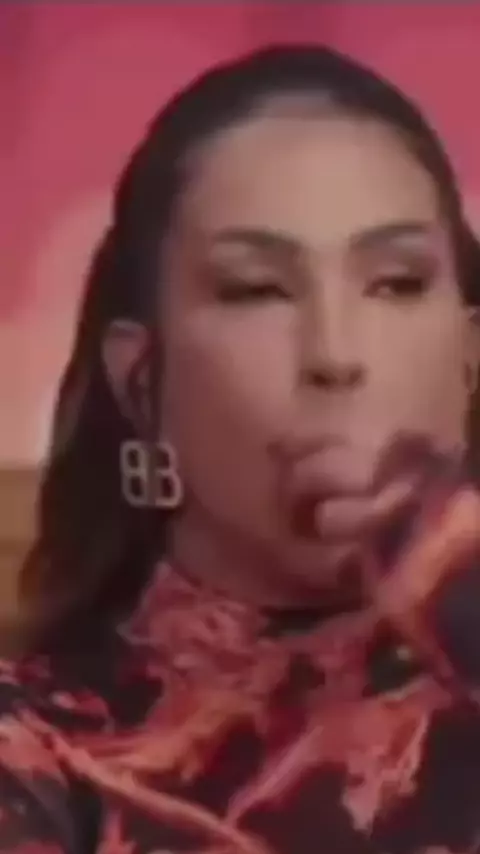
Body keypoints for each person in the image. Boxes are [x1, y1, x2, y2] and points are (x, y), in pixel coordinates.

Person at [2, 43, 480, 854]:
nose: (336, 355)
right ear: (142, 382)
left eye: (397, 283)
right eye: (258, 289)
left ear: (469, 357)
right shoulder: (45, 754)